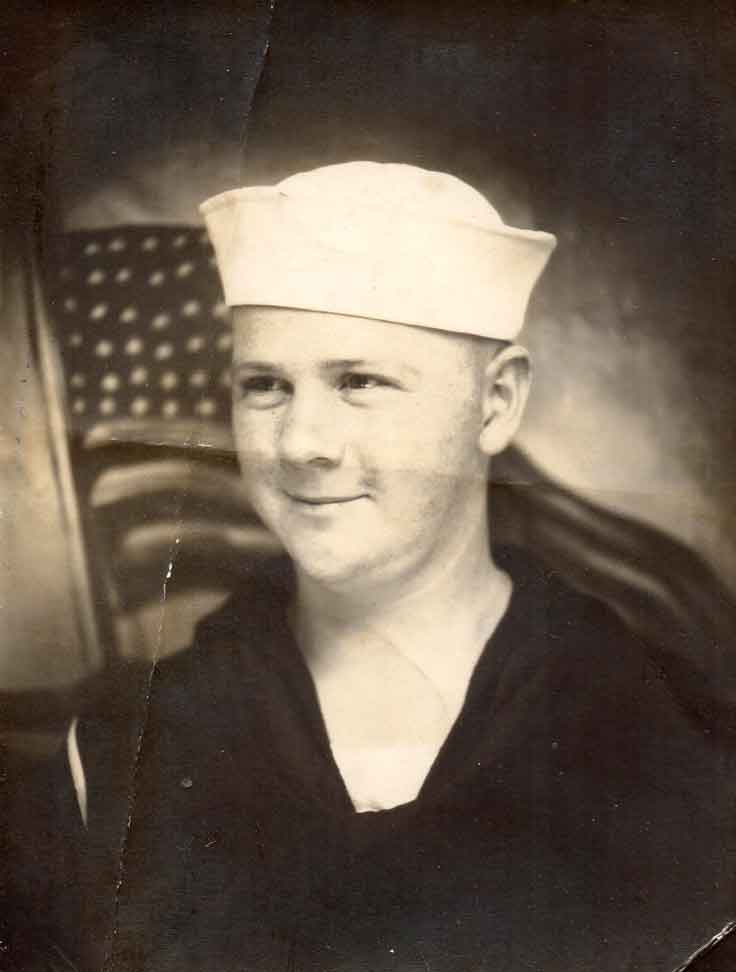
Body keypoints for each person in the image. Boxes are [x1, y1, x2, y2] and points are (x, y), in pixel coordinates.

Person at [10, 162, 735, 971]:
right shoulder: (114, 757)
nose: (301, 442)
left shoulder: (669, 736)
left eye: (360, 381)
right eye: (265, 386)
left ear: (496, 402)